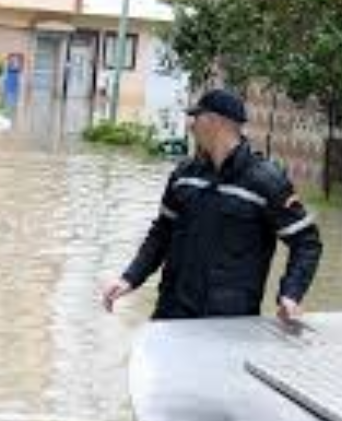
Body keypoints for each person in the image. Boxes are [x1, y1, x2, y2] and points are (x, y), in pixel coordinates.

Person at [101, 88, 322, 321]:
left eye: (196, 118)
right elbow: (161, 234)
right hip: (172, 311)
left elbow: (306, 242)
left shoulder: (265, 181)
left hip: (228, 322)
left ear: (214, 122)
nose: (191, 125)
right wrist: (129, 278)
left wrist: (290, 294)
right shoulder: (184, 175)